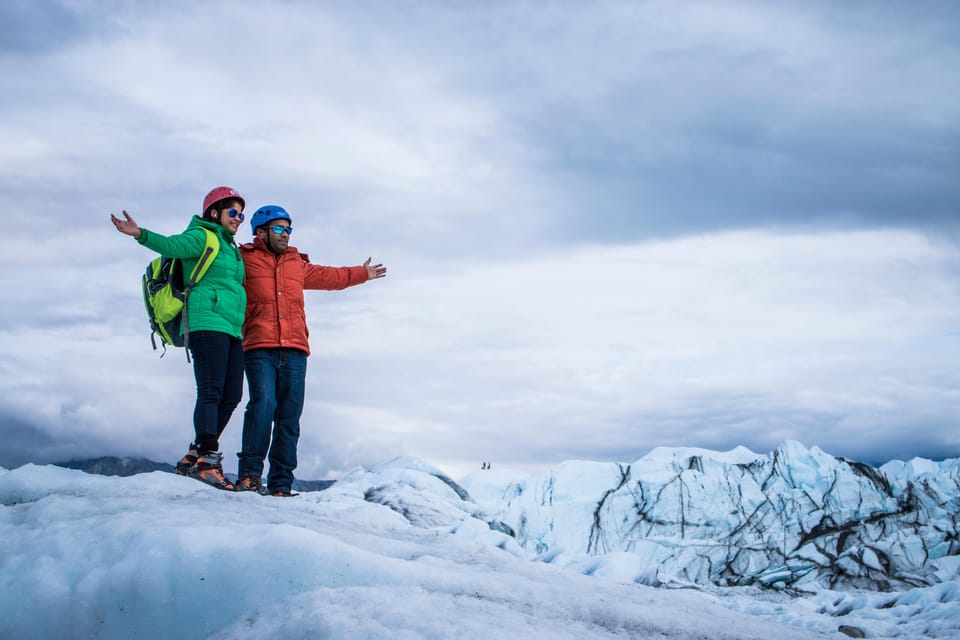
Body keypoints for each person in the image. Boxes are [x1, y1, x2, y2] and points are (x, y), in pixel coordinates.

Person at [236, 205, 386, 497]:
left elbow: (331, 277)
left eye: (288, 229)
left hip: (294, 348)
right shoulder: (243, 260)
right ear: (261, 231)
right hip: (258, 345)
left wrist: (362, 273)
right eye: (279, 229)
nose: (286, 235)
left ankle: (281, 484)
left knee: (289, 416)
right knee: (262, 406)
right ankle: (249, 476)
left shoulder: (296, 263)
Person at [111, 186, 248, 491]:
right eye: (233, 212)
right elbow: (172, 246)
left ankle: (197, 452)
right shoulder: (203, 236)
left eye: (241, 214)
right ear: (214, 212)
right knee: (211, 391)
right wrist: (139, 233)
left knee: (232, 395)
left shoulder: (232, 248)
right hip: (204, 321)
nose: (239, 218)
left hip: (232, 327)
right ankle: (207, 461)